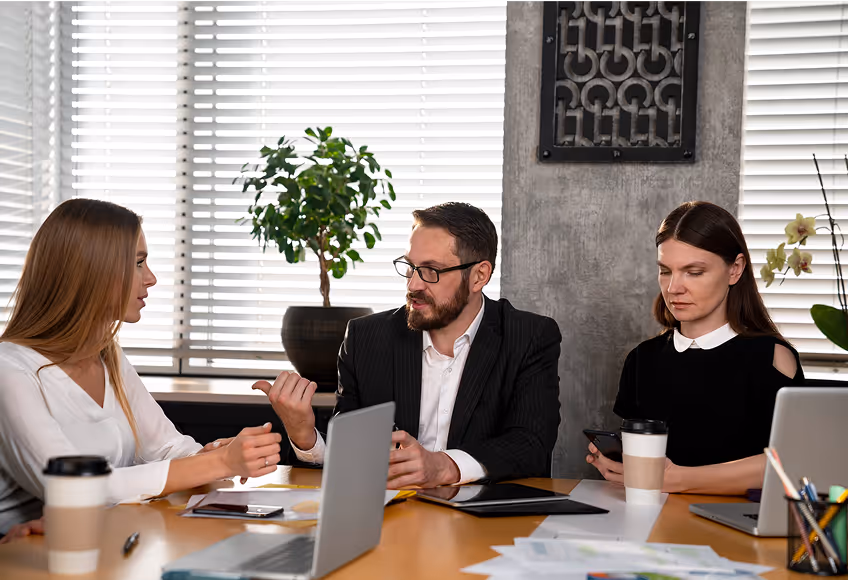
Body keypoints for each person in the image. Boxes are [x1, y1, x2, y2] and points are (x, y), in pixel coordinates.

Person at [0, 199, 282, 539]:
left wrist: (215, 454)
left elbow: (165, 448)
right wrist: (218, 463)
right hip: (28, 552)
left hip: (102, 539)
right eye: (137, 263)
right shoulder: (10, 371)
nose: (151, 278)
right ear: (90, 271)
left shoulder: (107, 355)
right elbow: (72, 488)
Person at [254, 202, 562, 488]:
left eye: (431, 271)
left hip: (489, 519)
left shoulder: (529, 337)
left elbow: (531, 444)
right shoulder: (366, 338)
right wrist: (305, 437)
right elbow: (352, 452)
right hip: (394, 516)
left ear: (479, 276)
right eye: (410, 267)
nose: (413, 284)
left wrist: (444, 466)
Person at [587, 201, 804, 495]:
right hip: (649, 515)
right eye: (666, 271)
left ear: (735, 269)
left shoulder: (772, 358)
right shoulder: (642, 359)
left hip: (735, 519)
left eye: (694, 272)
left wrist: (678, 479)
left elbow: (791, 463)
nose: (674, 288)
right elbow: (648, 462)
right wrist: (621, 467)